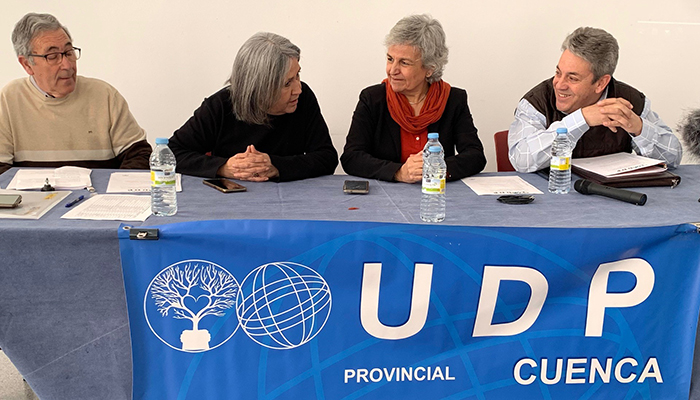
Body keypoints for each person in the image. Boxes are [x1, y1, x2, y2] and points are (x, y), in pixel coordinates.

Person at [508, 27, 682, 173]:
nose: (559, 85)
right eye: (558, 73)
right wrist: (581, 119)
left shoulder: (629, 100)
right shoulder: (536, 102)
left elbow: (673, 159)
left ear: (601, 83)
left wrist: (639, 128)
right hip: (553, 197)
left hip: (615, 197)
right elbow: (521, 160)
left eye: (572, 78)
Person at [169, 32, 338, 182]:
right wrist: (224, 167)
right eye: (287, 83)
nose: (298, 89)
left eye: (298, 75)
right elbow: (171, 153)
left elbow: (327, 158)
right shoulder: (220, 105)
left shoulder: (303, 98)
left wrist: (276, 166)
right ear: (261, 88)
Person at [340, 14, 486, 183]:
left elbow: (475, 155)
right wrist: (398, 172)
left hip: (437, 192)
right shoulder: (372, 99)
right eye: (390, 59)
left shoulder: (453, 99)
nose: (392, 70)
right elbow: (351, 157)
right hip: (386, 195)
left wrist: (436, 168)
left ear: (429, 69)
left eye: (404, 63)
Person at [0, 13, 151, 175]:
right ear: (27, 64)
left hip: (99, 191)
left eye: (68, 52)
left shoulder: (104, 95)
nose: (67, 65)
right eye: (53, 56)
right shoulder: (9, 100)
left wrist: (113, 187)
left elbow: (140, 155)